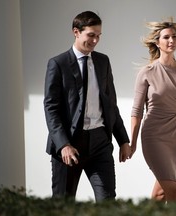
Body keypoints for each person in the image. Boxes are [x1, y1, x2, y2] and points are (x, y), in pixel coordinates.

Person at [44, 11, 132, 201]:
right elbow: (51, 108)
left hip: (100, 141)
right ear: (76, 32)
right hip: (69, 143)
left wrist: (123, 140)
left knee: (107, 203)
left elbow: (111, 105)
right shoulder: (57, 64)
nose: (95, 40)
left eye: (98, 35)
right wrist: (63, 145)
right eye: (91, 35)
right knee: (62, 205)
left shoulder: (103, 61)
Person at [130, 18, 176, 202]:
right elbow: (137, 111)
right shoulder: (147, 72)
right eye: (166, 37)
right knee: (174, 192)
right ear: (157, 42)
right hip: (154, 135)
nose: (171, 41)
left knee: (161, 193)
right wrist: (131, 143)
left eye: (174, 37)